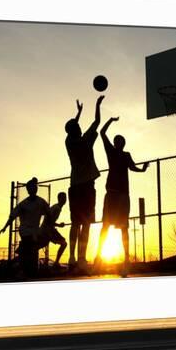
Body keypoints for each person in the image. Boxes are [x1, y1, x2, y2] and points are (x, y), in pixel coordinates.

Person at [94, 117, 149, 276]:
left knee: (123, 227)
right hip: (111, 194)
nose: (117, 142)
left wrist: (143, 169)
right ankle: (98, 257)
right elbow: (102, 132)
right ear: (114, 143)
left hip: (123, 196)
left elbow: (132, 168)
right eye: (116, 140)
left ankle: (126, 260)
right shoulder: (110, 151)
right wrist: (110, 120)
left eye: (119, 141)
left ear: (123, 144)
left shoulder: (126, 155)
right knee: (105, 226)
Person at [64, 95, 104, 271]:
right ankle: (81, 258)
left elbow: (72, 126)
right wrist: (97, 104)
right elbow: (97, 121)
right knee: (86, 223)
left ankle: (72, 257)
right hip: (87, 186)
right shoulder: (86, 139)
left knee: (75, 223)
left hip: (75, 186)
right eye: (78, 125)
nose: (79, 126)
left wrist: (78, 113)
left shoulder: (69, 141)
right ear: (77, 130)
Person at [0, 177, 50, 277]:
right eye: (31, 187)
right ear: (28, 190)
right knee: (30, 245)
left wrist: (51, 226)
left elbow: (49, 214)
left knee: (32, 248)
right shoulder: (23, 204)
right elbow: (12, 216)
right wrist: (5, 227)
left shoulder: (41, 202)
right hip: (25, 231)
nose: (34, 189)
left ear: (36, 188)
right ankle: (23, 265)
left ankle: (21, 257)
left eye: (35, 187)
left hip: (35, 231)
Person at [37, 192, 68, 269]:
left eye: (65, 198)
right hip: (47, 230)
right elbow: (48, 221)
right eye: (63, 198)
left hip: (47, 230)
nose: (64, 200)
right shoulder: (56, 208)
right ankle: (56, 263)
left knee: (39, 245)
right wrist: (59, 225)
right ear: (59, 199)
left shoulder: (57, 207)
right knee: (64, 243)